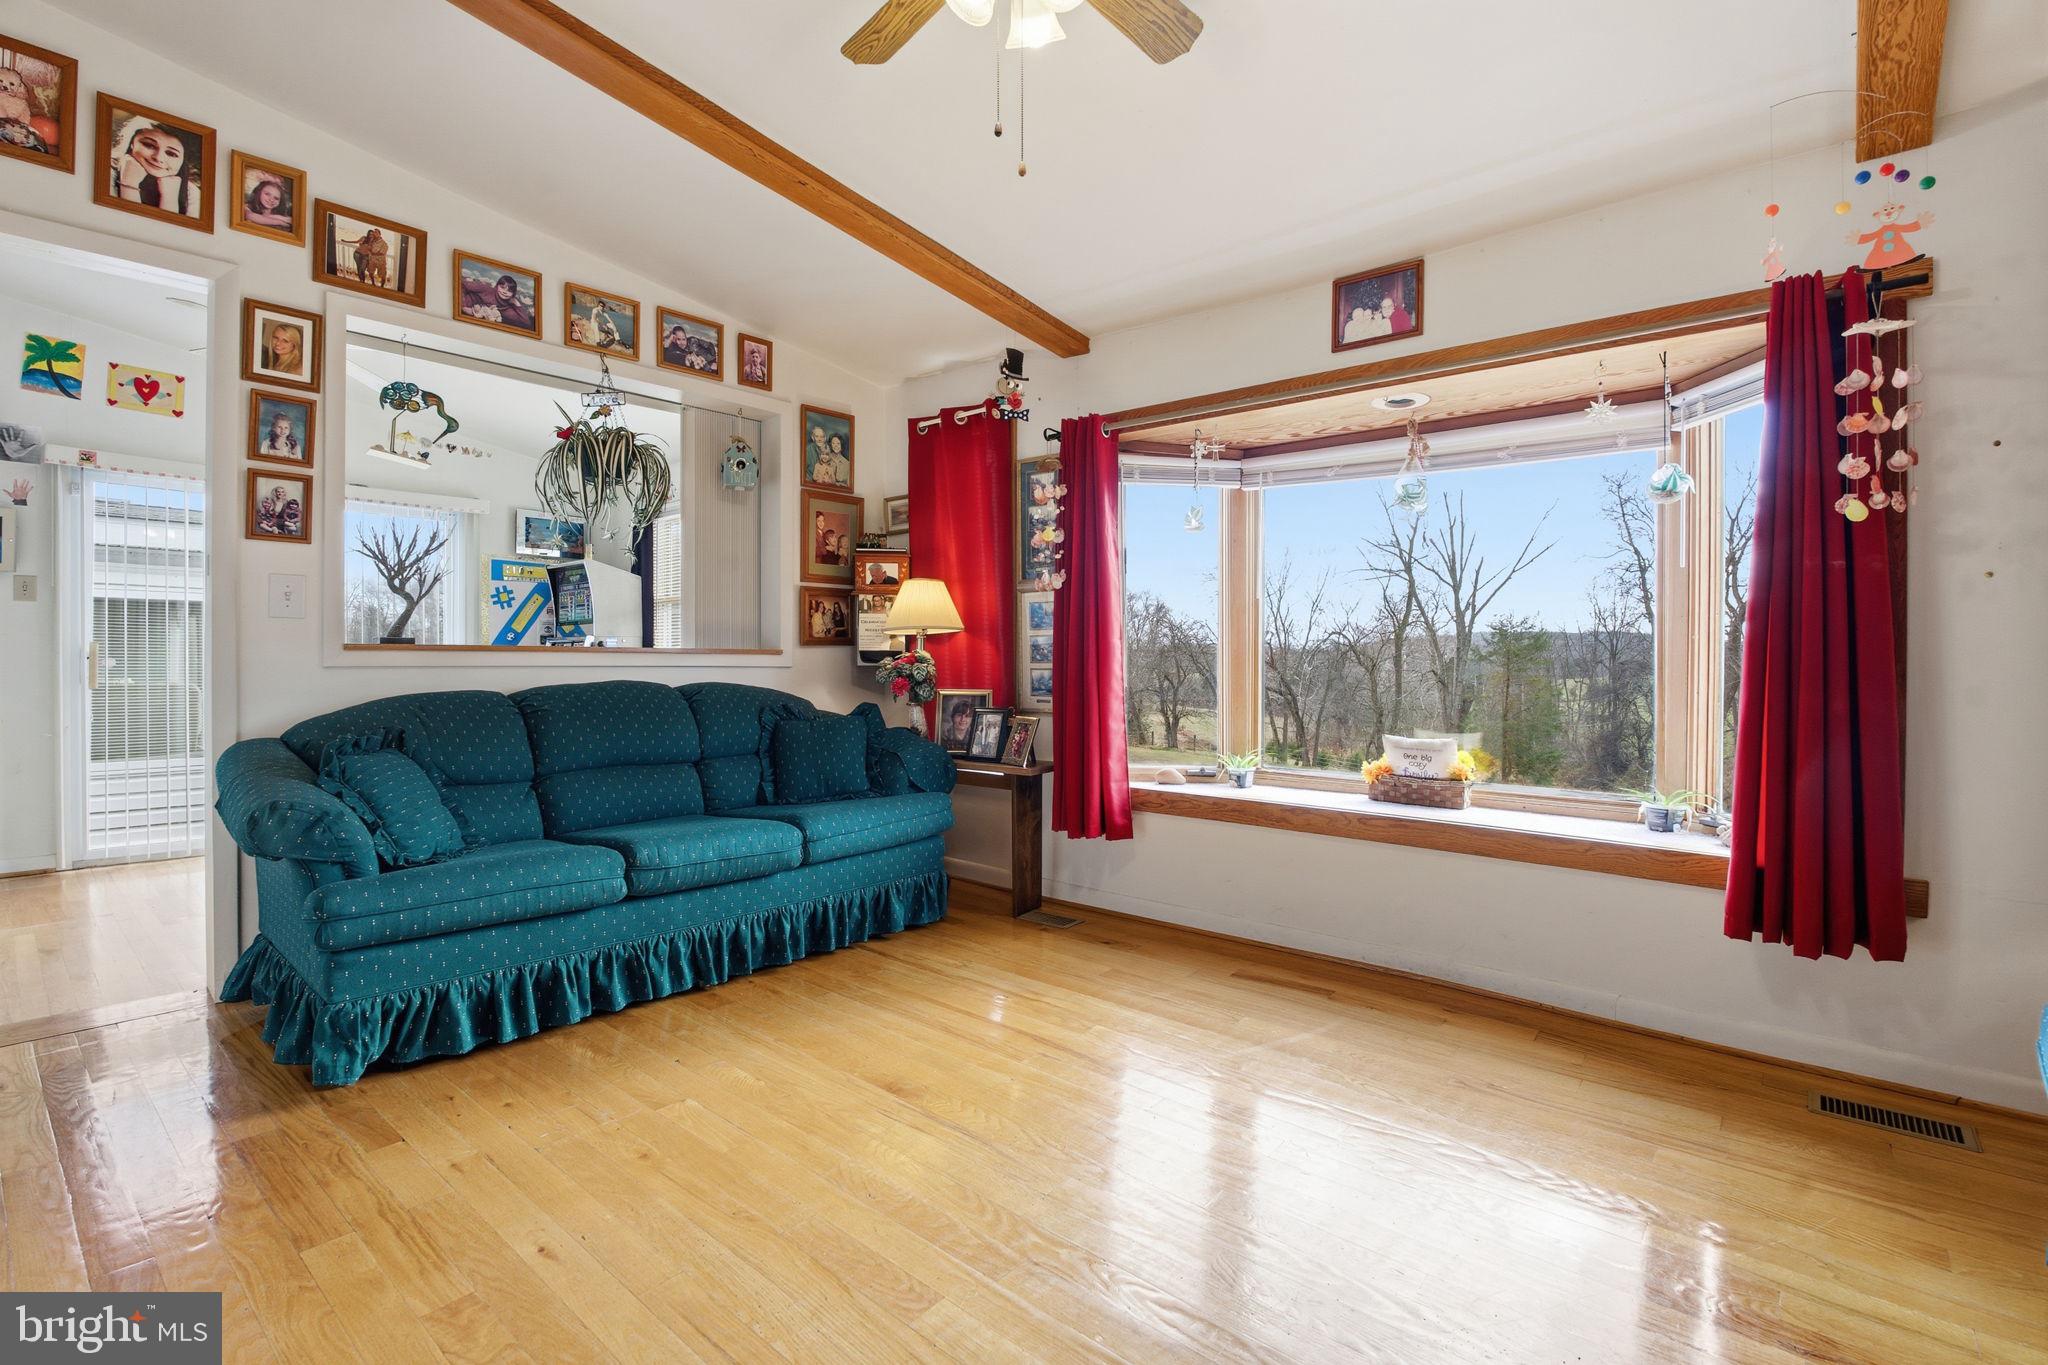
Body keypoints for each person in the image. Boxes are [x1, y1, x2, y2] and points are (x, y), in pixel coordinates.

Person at [111, 114, 200, 217]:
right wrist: (129, 185)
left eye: (171, 154)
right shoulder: (108, 174)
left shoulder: (191, 193)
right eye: (149, 145)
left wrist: (169, 199)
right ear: (131, 144)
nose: (158, 158)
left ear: (182, 161)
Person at [462, 271, 534, 331]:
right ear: (497, 286)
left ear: (513, 294)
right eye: (502, 287)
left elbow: (526, 323)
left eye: (509, 291)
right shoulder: (486, 289)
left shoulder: (507, 309)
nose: (505, 292)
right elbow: (461, 284)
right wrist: (463, 305)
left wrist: (517, 304)